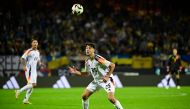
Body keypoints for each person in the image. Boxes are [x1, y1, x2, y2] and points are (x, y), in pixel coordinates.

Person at [68, 43, 123, 109]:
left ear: (93, 50)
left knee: (111, 98)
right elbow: (87, 73)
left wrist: (107, 76)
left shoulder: (98, 59)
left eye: (89, 48)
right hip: (97, 81)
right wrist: (76, 72)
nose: (87, 50)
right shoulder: (87, 61)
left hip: (107, 80)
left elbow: (112, 65)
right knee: (84, 96)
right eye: (86, 48)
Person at [15, 39, 42, 104]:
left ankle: (25, 100)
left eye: (36, 42)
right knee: (33, 84)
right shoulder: (29, 51)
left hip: (34, 71)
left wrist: (40, 63)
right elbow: (22, 58)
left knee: (31, 85)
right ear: (32, 44)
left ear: (37, 44)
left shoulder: (38, 52)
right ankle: (19, 91)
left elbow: (38, 60)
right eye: (34, 42)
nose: (35, 43)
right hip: (29, 70)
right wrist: (24, 66)